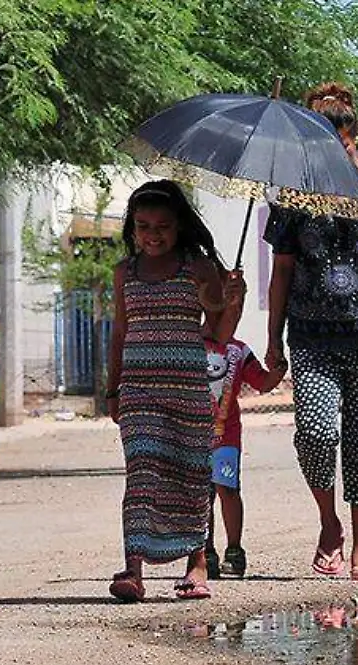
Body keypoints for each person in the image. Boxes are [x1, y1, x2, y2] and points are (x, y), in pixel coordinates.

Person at [263, 81, 358, 583]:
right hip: (310, 337)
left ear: (352, 138)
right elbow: (281, 270)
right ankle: (329, 524)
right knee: (315, 433)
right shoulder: (292, 195)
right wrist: (271, 340)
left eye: (341, 144)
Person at [103, 180, 245, 603]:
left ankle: (197, 563)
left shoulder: (198, 268)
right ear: (132, 228)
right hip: (139, 392)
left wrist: (231, 299)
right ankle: (133, 567)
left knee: (189, 475)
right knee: (143, 472)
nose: (153, 234)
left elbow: (219, 332)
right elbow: (120, 333)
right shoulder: (124, 273)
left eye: (162, 225)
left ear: (179, 226)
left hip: (187, 390)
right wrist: (112, 389)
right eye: (143, 225)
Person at [205, 336, 289, 579]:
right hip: (195, 436)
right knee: (202, 494)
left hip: (226, 437)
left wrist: (279, 367)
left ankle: (234, 551)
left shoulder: (239, 351)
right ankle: (204, 551)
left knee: (228, 489)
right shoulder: (189, 344)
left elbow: (262, 382)